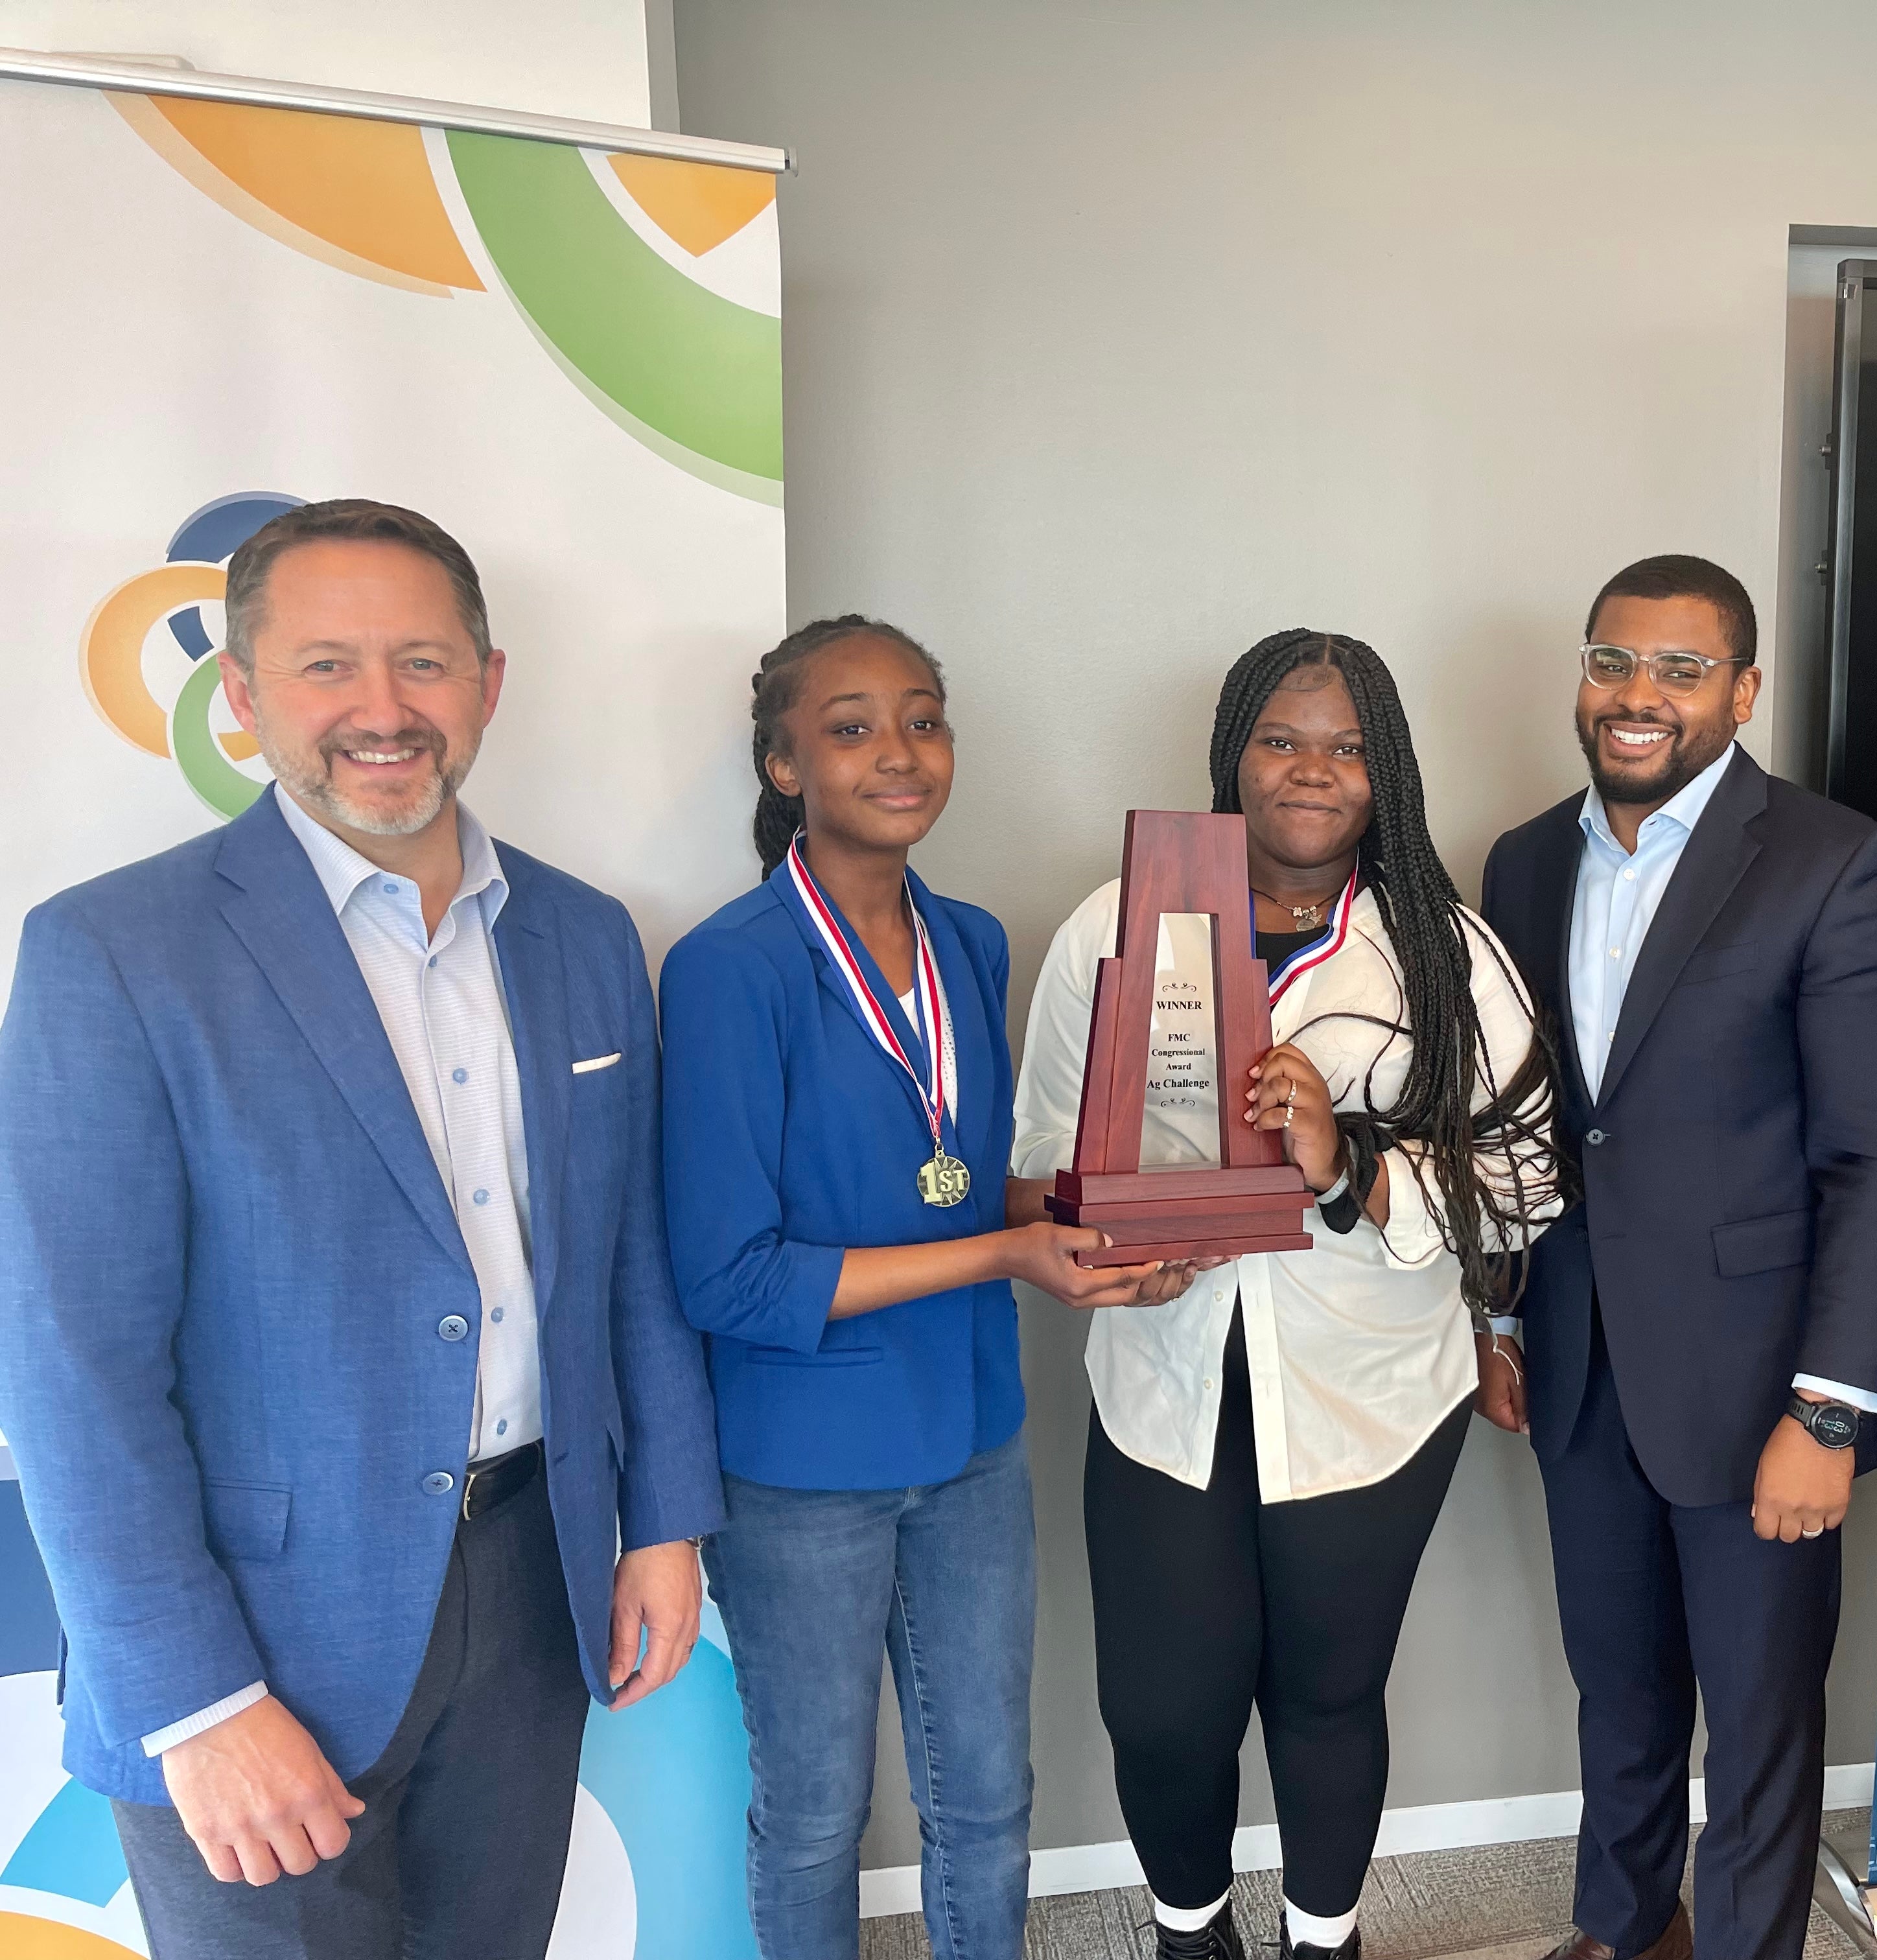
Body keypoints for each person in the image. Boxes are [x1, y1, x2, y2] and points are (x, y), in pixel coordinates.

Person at [0, 500, 725, 1959]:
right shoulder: (112, 953)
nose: (383, 710)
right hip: (256, 1632)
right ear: (248, 698)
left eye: (424, 663)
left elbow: (628, 1257)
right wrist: (197, 1704)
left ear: (489, 684)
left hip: (533, 1581)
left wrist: (665, 1523)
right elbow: (70, 1365)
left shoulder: (585, 936)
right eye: (328, 667)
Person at [1011, 629, 1561, 1960]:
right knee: (1162, 1710)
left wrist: (1350, 1162)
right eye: (1281, 738)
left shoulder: (1445, 953)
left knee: (1325, 1693)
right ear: (1231, 755)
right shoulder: (1115, 927)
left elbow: (1533, 1182)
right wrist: (1101, 1248)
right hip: (1166, 1381)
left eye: (1348, 746)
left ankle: (1329, 1942)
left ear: (1387, 773)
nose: (1313, 771)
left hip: (1369, 1393)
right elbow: (1036, 1173)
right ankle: (1191, 1939)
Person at [660, 617, 1189, 1960]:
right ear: (784, 766)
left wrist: (1092, 1215)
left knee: (988, 1799)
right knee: (817, 1814)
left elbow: (952, 1176)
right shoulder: (733, 969)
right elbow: (729, 1277)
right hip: (802, 1471)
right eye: (850, 728)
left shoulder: (971, 940)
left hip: (969, 1439)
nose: (898, 753)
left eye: (923, 718)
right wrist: (1013, 1254)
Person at [1478, 555, 1877, 1960]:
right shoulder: (1524, 860)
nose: (1639, 695)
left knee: (1754, 1723)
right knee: (1615, 1694)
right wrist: (1503, 1322)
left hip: (1762, 1392)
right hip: (1580, 1364)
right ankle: (1621, 1932)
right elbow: (1516, 1119)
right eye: (1614, 660)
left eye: (1682, 670)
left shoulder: (1838, 863)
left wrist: (1828, 1410)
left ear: (1744, 690)